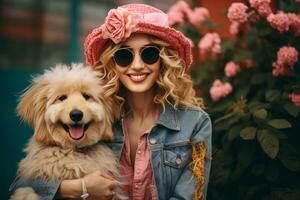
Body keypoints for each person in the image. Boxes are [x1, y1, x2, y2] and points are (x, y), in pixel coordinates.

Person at [10, 3, 212, 200]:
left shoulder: (194, 123)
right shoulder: (99, 119)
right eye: (124, 56)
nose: (138, 66)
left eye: (149, 54)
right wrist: (78, 188)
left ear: (164, 60)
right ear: (112, 62)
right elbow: (24, 183)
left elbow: (190, 196)